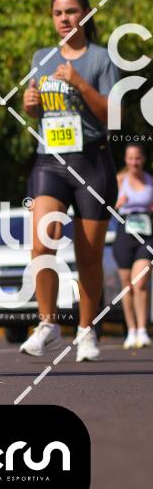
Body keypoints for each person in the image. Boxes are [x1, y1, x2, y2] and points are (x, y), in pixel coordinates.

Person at [20, 0, 119, 361]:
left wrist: (78, 82)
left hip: (92, 162)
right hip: (50, 161)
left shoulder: (101, 59)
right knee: (42, 243)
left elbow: (113, 116)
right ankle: (48, 325)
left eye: (72, 11)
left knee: (89, 255)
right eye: (58, 13)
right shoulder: (41, 57)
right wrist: (30, 104)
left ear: (86, 14)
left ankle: (87, 330)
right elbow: (37, 111)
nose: (64, 19)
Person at [112, 144, 153, 348]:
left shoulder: (150, 181)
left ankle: (143, 330)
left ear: (143, 159)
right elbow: (103, 209)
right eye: (130, 158)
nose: (134, 162)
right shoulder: (120, 180)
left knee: (141, 283)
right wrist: (117, 204)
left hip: (146, 234)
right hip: (124, 234)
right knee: (127, 286)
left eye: (137, 158)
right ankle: (132, 330)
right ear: (126, 160)